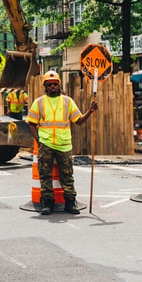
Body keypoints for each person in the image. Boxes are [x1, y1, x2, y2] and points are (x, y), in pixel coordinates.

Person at [27, 70, 98, 215]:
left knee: (67, 175)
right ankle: (48, 203)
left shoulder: (67, 101)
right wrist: (39, 141)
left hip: (64, 145)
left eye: (55, 84)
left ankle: (70, 203)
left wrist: (90, 111)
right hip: (46, 144)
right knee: (45, 175)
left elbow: (78, 120)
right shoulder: (39, 103)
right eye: (49, 84)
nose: (52, 86)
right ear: (45, 87)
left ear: (59, 85)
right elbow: (31, 123)